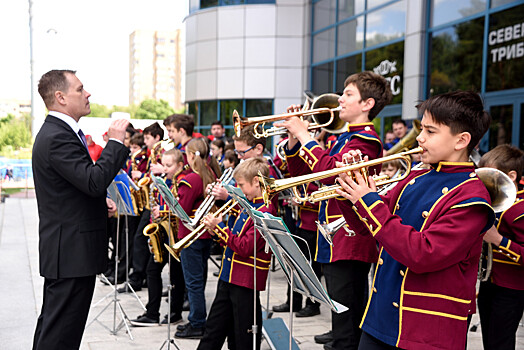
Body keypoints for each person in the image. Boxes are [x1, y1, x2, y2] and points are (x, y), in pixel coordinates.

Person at [335, 90, 494, 349]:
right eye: (422, 129)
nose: (419, 138)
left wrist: (368, 201)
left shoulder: (472, 198)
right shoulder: (415, 177)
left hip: (425, 330)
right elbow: (367, 229)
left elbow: (423, 253)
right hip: (380, 317)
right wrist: (350, 189)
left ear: (461, 140)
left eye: (430, 132)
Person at [277, 71, 392, 350]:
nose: (341, 98)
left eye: (349, 94)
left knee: (347, 318)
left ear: (367, 104)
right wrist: (295, 139)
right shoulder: (343, 138)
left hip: (350, 235)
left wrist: (305, 134)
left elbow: (331, 175)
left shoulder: (367, 140)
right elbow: (302, 174)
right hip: (335, 236)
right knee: (341, 313)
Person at [32, 69, 129, 349]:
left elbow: (76, 186)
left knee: (58, 330)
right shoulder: (57, 136)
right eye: (80, 89)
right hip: (70, 252)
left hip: (71, 250)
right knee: (60, 335)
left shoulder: (61, 131)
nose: (87, 94)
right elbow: (93, 180)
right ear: (60, 97)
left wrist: (99, 204)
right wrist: (115, 142)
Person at [197, 157, 276, 350]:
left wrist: (220, 227)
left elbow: (244, 247)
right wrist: (216, 231)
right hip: (229, 275)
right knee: (213, 330)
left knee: (242, 336)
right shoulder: (248, 204)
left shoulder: (264, 210)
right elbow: (234, 238)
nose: (238, 189)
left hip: (246, 280)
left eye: (241, 185)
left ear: (256, 181)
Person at [130, 148, 187, 326]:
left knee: (176, 275)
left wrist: (162, 211)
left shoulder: (182, 182)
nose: (165, 168)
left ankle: (175, 312)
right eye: (164, 164)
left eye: (169, 165)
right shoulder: (163, 182)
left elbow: (182, 210)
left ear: (180, 165)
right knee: (152, 270)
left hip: (176, 235)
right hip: (162, 232)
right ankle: (152, 312)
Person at [477, 144, 524, 350]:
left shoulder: (521, 209)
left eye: (491, 176)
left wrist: (498, 240)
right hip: (489, 282)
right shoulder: (491, 201)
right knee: (489, 340)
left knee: (500, 343)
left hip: (511, 289)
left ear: (511, 176)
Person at [175, 138, 221, 339]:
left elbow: (182, 211)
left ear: (192, 155)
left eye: (186, 154)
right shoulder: (210, 173)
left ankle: (197, 323)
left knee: (193, 282)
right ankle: (197, 319)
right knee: (198, 279)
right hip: (204, 234)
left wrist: (173, 200)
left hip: (190, 235)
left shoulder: (192, 178)